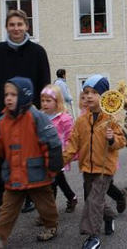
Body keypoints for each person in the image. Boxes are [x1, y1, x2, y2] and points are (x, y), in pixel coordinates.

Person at [0, 9, 51, 215]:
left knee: (26, 154)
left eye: (20, 24)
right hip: (2, 111)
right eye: (12, 25)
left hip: (29, 112)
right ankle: (0, 197)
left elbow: (44, 83)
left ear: (27, 26)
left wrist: (44, 109)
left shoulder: (38, 52)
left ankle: (28, 196)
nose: (16, 28)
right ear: (6, 27)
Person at [0, 77, 62, 248]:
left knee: (45, 204)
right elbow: (0, 147)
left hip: (37, 173)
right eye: (6, 94)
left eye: (13, 94)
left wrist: (52, 167)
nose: (8, 98)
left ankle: (51, 225)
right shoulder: (1, 121)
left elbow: (51, 142)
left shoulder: (37, 117)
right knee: (8, 207)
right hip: (14, 174)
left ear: (25, 95)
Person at [63, 74, 127, 249]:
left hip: (105, 168)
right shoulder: (81, 121)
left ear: (104, 96)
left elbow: (122, 141)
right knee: (94, 200)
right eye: (86, 92)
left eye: (93, 92)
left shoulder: (111, 120)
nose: (88, 96)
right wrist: (61, 160)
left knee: (93, 201)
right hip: (87, 167)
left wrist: (112, 138)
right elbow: (72, 143)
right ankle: (109, 216)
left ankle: (93, 237)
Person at [78, 89, 127, 213]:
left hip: (104, 163)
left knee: (104, 189)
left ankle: (116, 202)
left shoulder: (108, 117)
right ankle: (99, 216)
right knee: (91, 192)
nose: (87, 99)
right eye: (83, 97)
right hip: (88, 164)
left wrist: (111, 139)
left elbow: (121, 140)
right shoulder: (82, 118)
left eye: (92, 95)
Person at [40, 85, 77, 213]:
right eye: (43, 100)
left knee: (52, 183)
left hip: (59, 155)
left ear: (57, 102)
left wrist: (68, 154)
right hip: (44, 155)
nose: (45, 104)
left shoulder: (64, 118)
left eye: (48, 101)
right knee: (59, 180)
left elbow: (70, 137)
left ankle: (48, 213)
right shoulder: (40, 117)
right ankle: (72, 197)